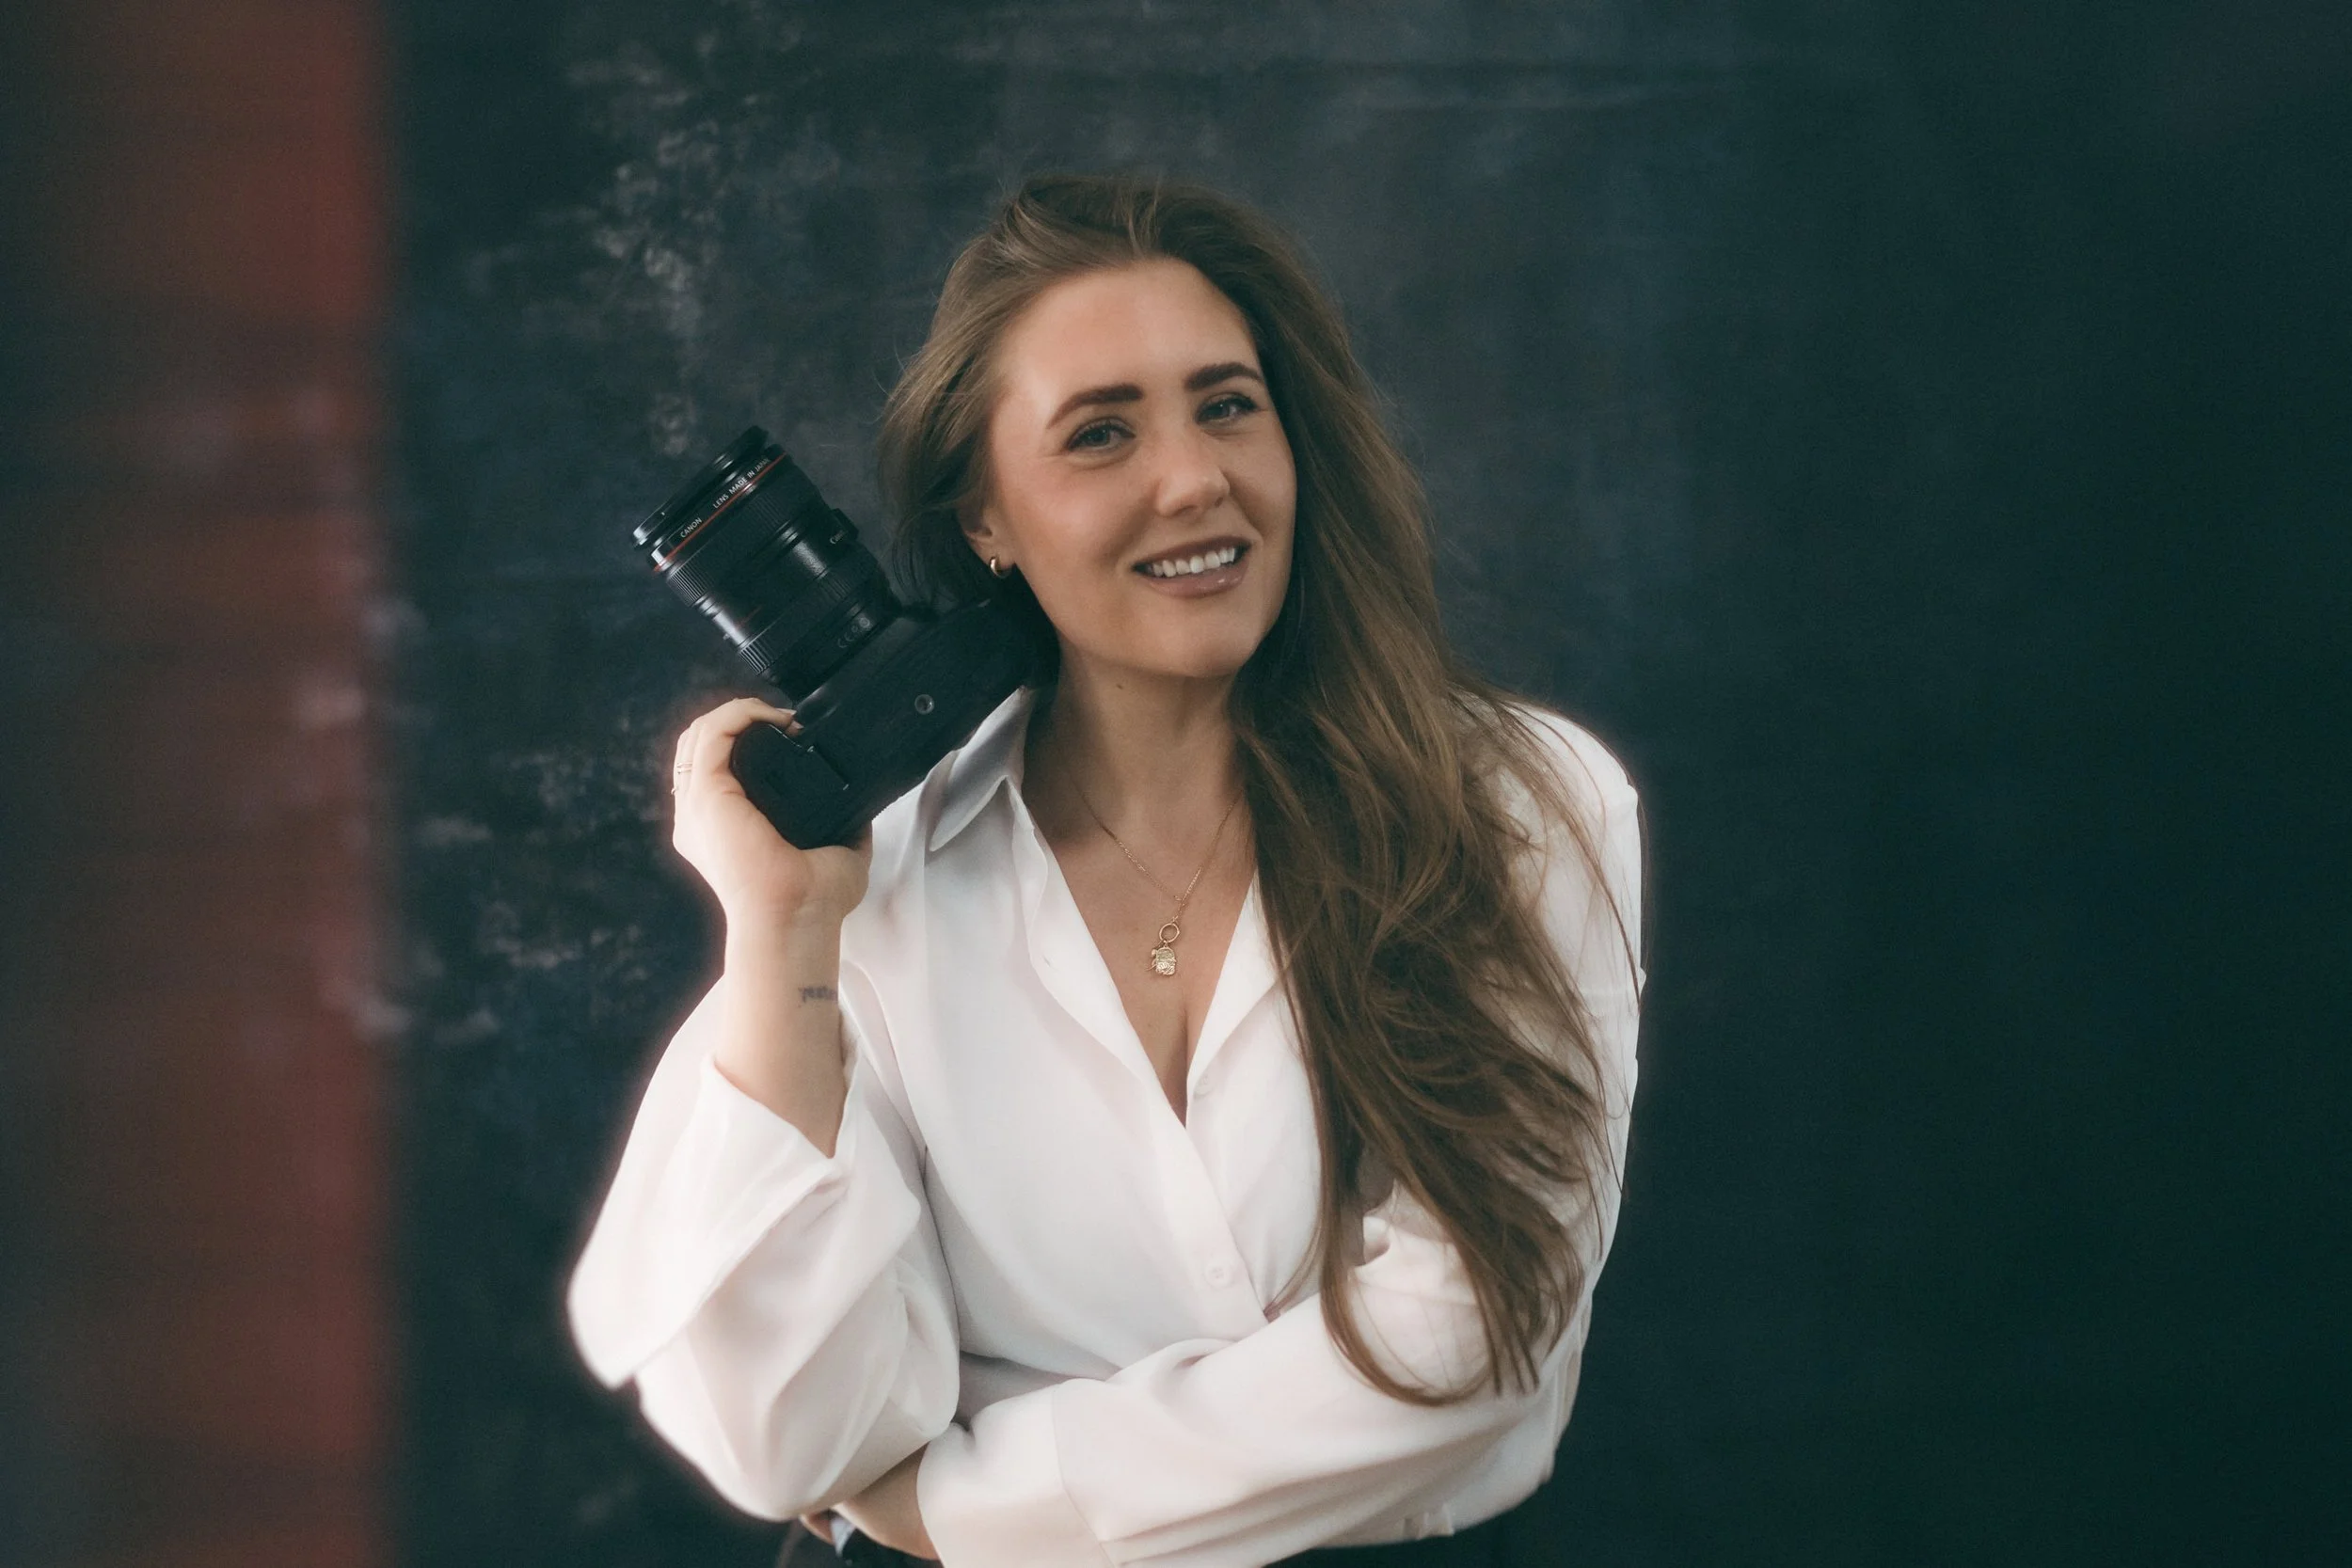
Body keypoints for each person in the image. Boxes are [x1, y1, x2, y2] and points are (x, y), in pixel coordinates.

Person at [567, 173, 1646, 1568]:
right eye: (1099, 433)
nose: (1193, 476)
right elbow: (790, 1439)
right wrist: (781, 946)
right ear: (987, 522)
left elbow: (1469, 1340)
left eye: (1228, 404)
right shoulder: (870, 888)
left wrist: (957, 1507)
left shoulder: (1514, 808)